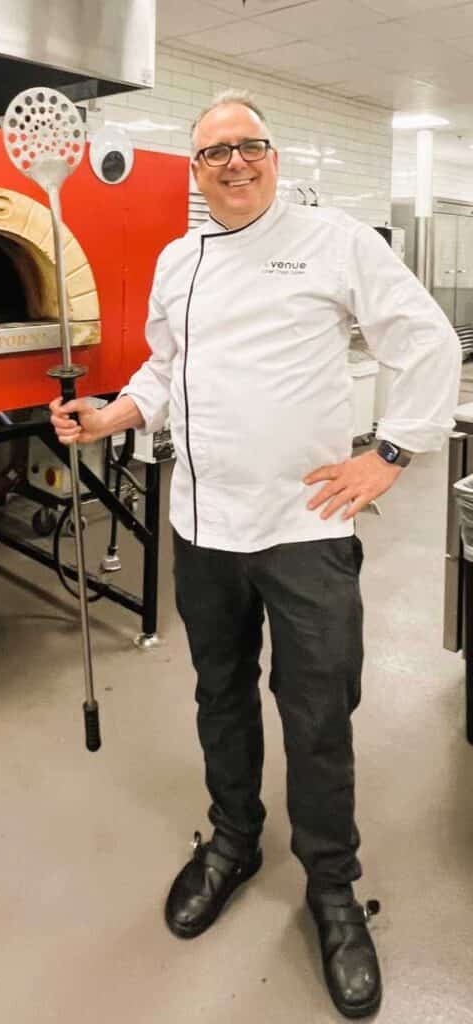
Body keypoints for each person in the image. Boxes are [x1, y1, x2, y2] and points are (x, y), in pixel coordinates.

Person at [51, 90, 460, 1019]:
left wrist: (390, 452)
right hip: (202, 524)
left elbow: (425, 340)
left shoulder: (335, 240)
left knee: (317, 712)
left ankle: (330, 889)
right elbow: (167, 367)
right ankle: (233, 837)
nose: (233, 163)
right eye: (212, 154)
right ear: (196, 172)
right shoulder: (176, 260)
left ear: (273, 157)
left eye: (248, 147)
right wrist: (114, 410)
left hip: (306, 529)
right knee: (219, 691)